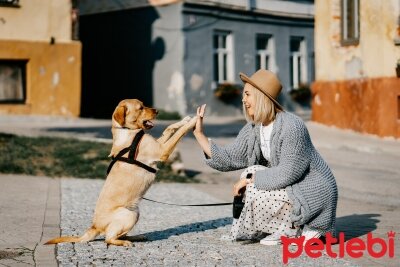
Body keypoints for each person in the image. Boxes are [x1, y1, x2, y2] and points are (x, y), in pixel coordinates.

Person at [193, 69, 338, 245]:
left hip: (312, 191)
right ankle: (284, 228)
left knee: (251, 178)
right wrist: (200, 135)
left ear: (261, 96)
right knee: (251, 171)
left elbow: (288, 172)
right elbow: (230, 158)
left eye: (247, 94)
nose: (243, 100)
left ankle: (307, 229)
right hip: (291, 187)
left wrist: (248, 180)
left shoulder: (292, 126)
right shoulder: (254, 128)